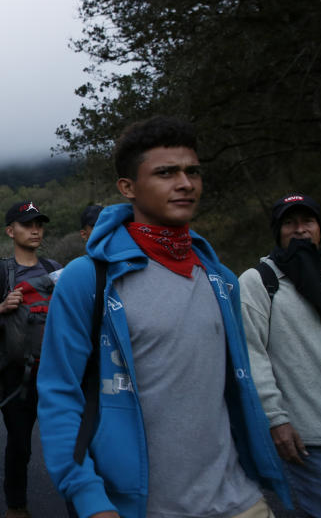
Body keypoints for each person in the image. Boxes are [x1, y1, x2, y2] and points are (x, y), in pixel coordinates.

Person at [37, 116, 290, 518]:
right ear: (128, 187)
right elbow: (59, 393)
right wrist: (88, 497)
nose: (185, 183)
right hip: (139, 507)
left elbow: (237, 382)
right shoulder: (90, 278)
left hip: (241, 502)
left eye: (192, 172)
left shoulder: (221, 280)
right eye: (166, 173)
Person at [239, 193, 321, 518]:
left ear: (319, 228)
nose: (300, 230)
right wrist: (276, 419)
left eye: (307, 221)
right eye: (289, 223)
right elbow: (251, 354)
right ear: (278, 231)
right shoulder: (260, 282)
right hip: (308, 444)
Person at [0, 200, 62, 518]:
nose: (35, 229)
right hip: (16, 374)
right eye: (27, 224)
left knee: (69, 443)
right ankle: (16, 506)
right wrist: (2, 308)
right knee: (21, 444)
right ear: (11, 231)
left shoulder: (53, 269)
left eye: (39, 223)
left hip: (57, 372)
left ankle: (81, 505)